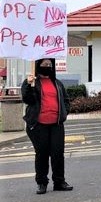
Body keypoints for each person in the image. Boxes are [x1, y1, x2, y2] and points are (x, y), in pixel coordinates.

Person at [21, 58, 73, 194]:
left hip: (56, 124)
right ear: (38, 66)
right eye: (44, 64)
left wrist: (64, 112)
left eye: (50, 64)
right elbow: (27, 99)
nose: (47, 66)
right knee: (42, 154)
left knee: (57, 154)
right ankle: (42, 182)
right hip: (39, 125)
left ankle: (59, 181)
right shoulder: (33, 83)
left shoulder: (57, 83)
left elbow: (66, 100)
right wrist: (28, 84)